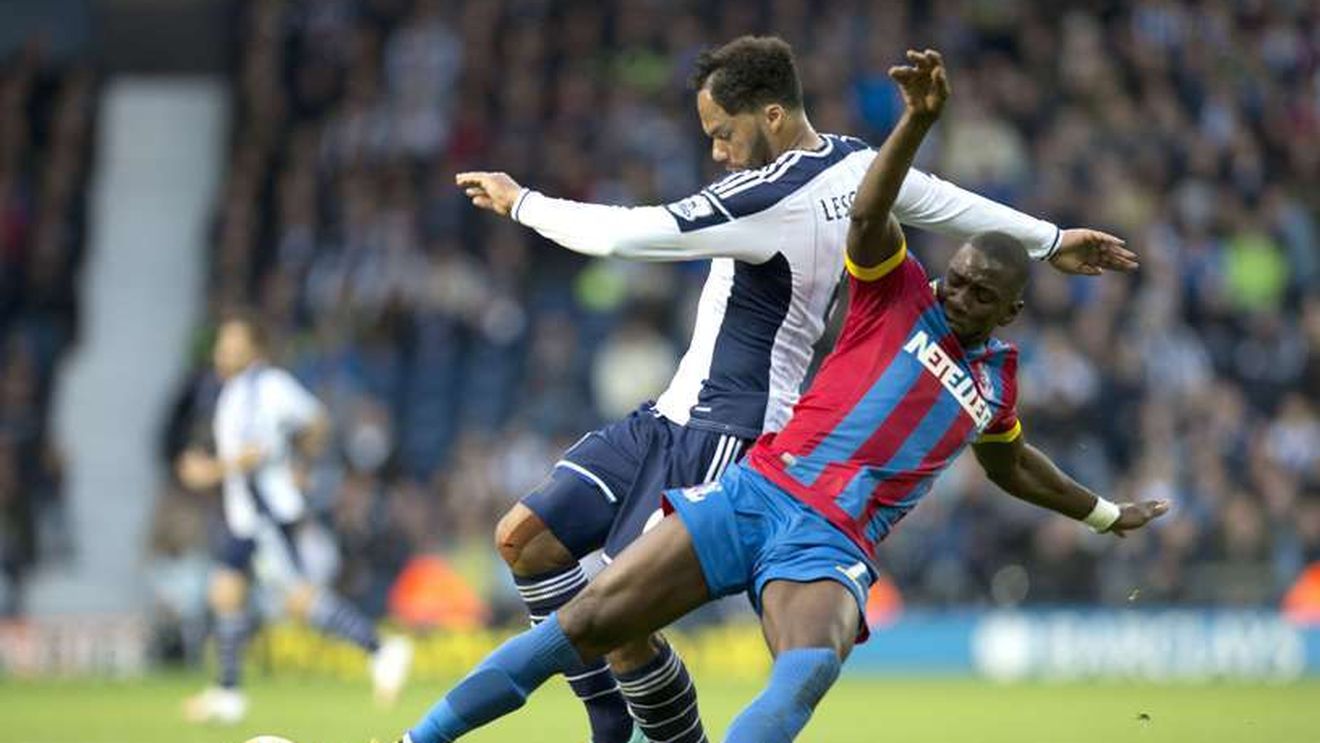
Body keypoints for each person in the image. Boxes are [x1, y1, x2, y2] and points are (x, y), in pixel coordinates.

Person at [401, 48, 1167, 743]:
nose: (716, 151)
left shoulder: (786, 200)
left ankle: (642, 736)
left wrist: (521, 201)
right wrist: (1049, 235)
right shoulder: (853, 179)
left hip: (738, 429)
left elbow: (631, 234)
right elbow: (937, 203)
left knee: (619, 619)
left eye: (723, 132)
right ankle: (594, 714)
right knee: (525, 539)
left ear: (771, 115)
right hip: (677, 412)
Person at [176, 314, 413, 724]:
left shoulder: (264, 387)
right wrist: (298, 459)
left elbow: (268, 447)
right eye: (221, 342)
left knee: (299, 599)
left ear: (255, 348)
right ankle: (228, 693)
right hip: (244, 516)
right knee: (225, 592)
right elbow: (308, 422)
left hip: (263, 514)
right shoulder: (233, 391)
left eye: (232, 342)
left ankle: (381, 649)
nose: (222, 351)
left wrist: (210, 470)